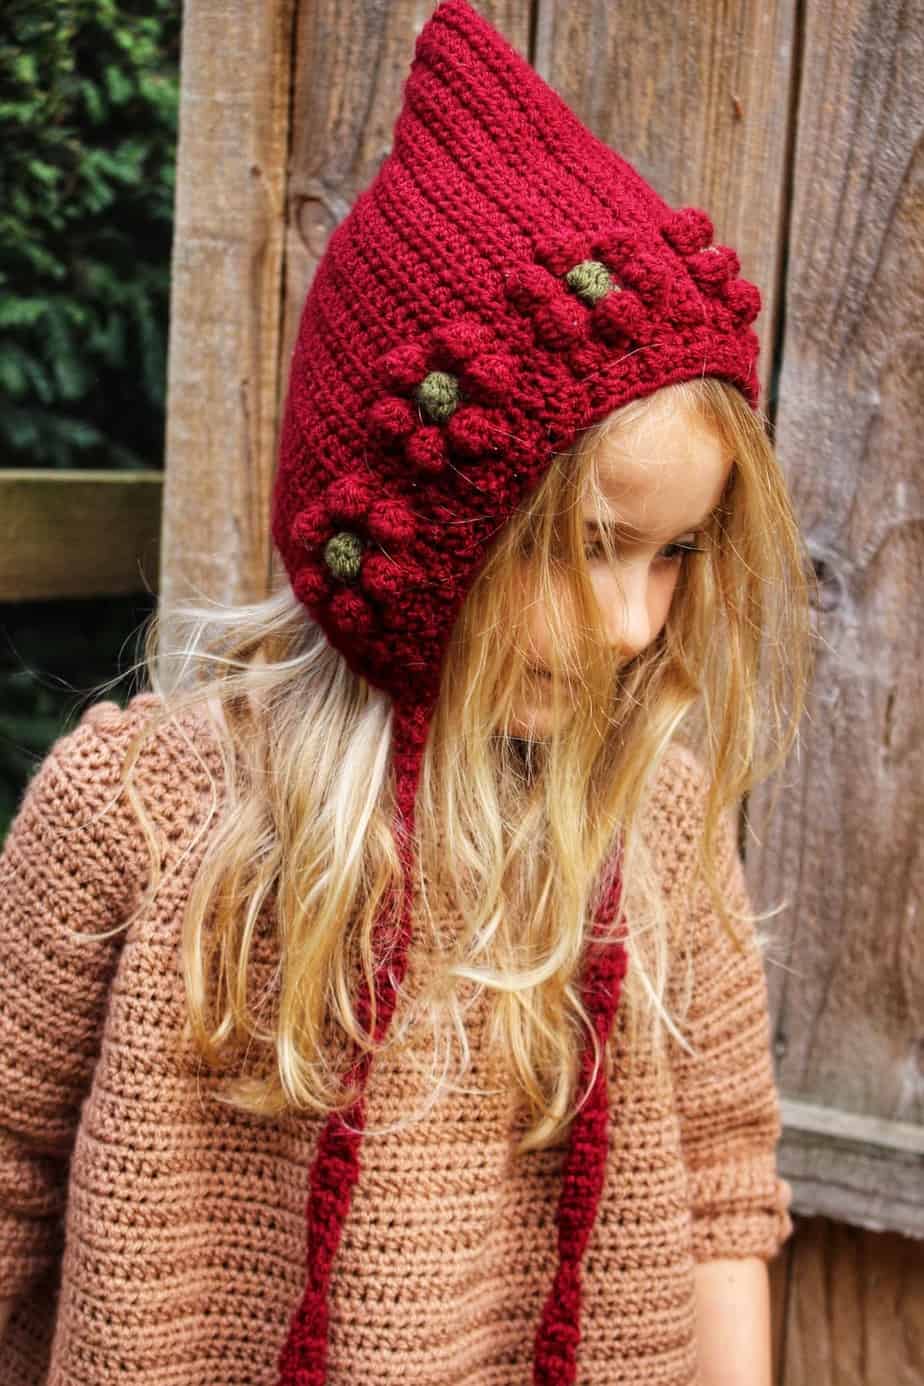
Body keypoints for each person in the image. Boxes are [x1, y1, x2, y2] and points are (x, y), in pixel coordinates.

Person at [0, 1, 813, 1383]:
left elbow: (724, 1188)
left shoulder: (658, 822)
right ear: (400, 528)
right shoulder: (136, 808)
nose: (633, 624)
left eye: (676, 555)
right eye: (589, 548)